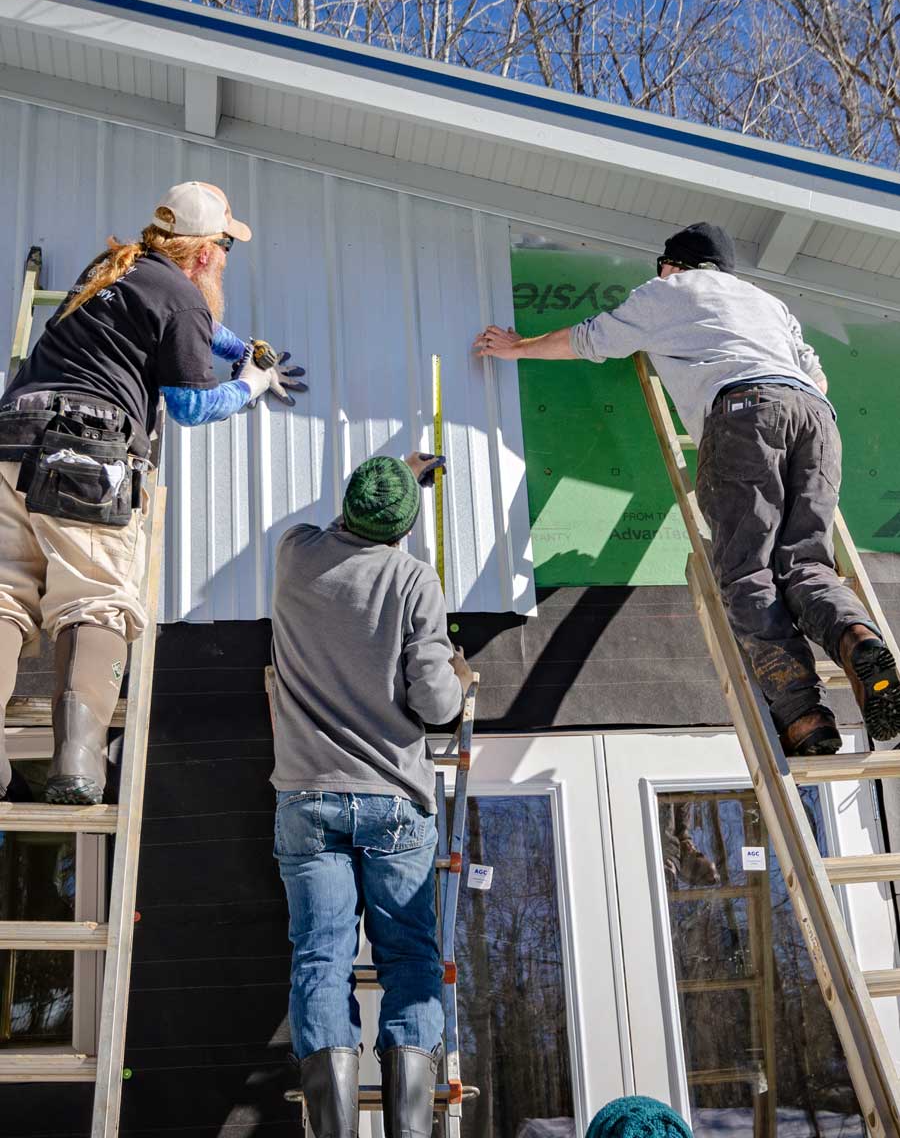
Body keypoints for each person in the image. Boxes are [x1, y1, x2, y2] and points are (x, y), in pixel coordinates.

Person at [473, 222, 900, 757]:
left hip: (744, 414)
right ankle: (857, 639)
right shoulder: (767, 303)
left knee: (748, 570)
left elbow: (591, 339)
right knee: (807, 563)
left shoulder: (670, 291)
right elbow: (818, 382)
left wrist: (518, 348)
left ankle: (804, 719)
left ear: (673, 264)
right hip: (816, 421)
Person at [0, 181, 305, 805]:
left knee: (3, 598)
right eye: (225, 246)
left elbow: (189, 326)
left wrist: (241, 347)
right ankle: (78, 764)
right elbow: (191, 405)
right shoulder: (184, 299)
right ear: (202, 254)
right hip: (84, 454)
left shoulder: (114, 268)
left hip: (10, 439)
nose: (226, 258)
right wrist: (250, 383)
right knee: (96, 599)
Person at [270, 452, 474, 1138]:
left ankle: (333, 1131)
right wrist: (454, 669)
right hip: (392, 799)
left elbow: (340, 532)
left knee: (320, 958)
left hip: (308, 796)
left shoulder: (295, 555)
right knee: (410, 960)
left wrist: (394, 488)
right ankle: (409, 1129)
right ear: (405, 529)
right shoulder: (415, 579)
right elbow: (436, 703)